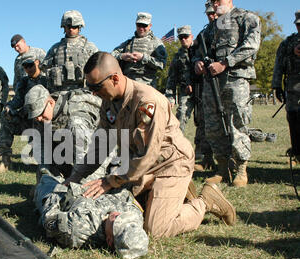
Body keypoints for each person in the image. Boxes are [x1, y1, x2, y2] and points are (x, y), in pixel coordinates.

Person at [64, 52, 236, 239]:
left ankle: (205, 201)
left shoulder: (147, 101)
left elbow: (148, 154)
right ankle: (175, 193)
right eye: (89, 87)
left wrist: (111, 180)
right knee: (122, 205)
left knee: (155, 229)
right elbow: (100, 146)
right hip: (140, 167)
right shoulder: (108, 103)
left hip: (171, 163)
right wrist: (75, 177)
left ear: (114, 78)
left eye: (96, 86)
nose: (93, 93)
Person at [194, 0, 261, 187]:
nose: (215, 4)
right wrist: (197, 63)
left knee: (237, 123)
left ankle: (241, 169)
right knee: (213, 125)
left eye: (218, 0)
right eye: (212, 1)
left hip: (236, 79)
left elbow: (251, 45)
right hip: (211, 82)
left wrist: (225, 63)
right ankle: (222, 168)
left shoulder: (246, 18)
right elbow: (198, 50)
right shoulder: (210, 28)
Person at [34, 173, 148, 259]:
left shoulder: (77, 229)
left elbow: (49, 217)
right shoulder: (135, 216)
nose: (118, 215)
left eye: (116, 222)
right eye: (125, 218)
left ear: (109, 241)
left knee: (46, 179)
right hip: (97, 182)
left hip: (62, 194)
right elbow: (126, 194)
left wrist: (59, 190)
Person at [23, 84, 109, 182]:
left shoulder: (75, 120)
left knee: (85, 188)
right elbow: (42, 147)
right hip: (70, 146)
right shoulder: (42, 116)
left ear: (51, 103)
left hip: (99, 150)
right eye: (35, 116)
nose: (38, 118)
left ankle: (113, 173)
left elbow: (84, 160)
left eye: (40, 114)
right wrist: (45, 173)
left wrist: (74, 181)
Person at [0, 53, 48, 173]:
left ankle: (45, 164)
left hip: (42, 120)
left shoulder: (47, 80)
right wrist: (9, 107)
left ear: (37, 62)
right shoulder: (24, 82)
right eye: (25, 66)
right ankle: (5, 161)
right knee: (5, 118)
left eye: (30, 65)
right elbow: (18, 100)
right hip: (27, 120)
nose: (28, 69)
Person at [41, 10, 98, 93]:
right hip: (59, 93)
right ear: (64, 27)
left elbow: (99, 68)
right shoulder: (55, 49)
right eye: (68, 26)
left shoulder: (89, 47)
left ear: (79, 27)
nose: (71, 29)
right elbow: (44, 69)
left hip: (84, 93)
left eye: (74, 26)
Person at [192, 1, 218, 172]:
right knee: (204, 121)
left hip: (226, 80)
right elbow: (194, 55)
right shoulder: (203, 34)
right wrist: (197, 63)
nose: (211, 16)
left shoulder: (229, 29)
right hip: (206, 84)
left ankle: (229, 161)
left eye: (213, 12)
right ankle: (206, 158)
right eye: (208, 13)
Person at [272, 11, 300, 165]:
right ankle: (296, 153)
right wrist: (276, 86)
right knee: (294, 120)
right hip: (292, 88)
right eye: (298, 24)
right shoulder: (287, 43)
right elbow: (278, 65)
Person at [111, 12, 167, 88]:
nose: (141, 28)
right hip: (127, 84)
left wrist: (143, 58)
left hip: (147, 85)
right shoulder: (128, 43)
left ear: (150, 26)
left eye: (144, 25)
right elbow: (110, 56)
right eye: (139, 25)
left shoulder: (156, 43)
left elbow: (162, 64)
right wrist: (122, 56)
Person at [165, 25, 196, 133]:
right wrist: (170, 97)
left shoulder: (201, 50)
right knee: (181, 115)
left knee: (205, 120)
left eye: (185, 36)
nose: (183, 39)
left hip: (203, 91)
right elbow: (171, 79)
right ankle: (177, 144)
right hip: (186, 93)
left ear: (191, 36)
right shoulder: (178, 57)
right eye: (180, 37)